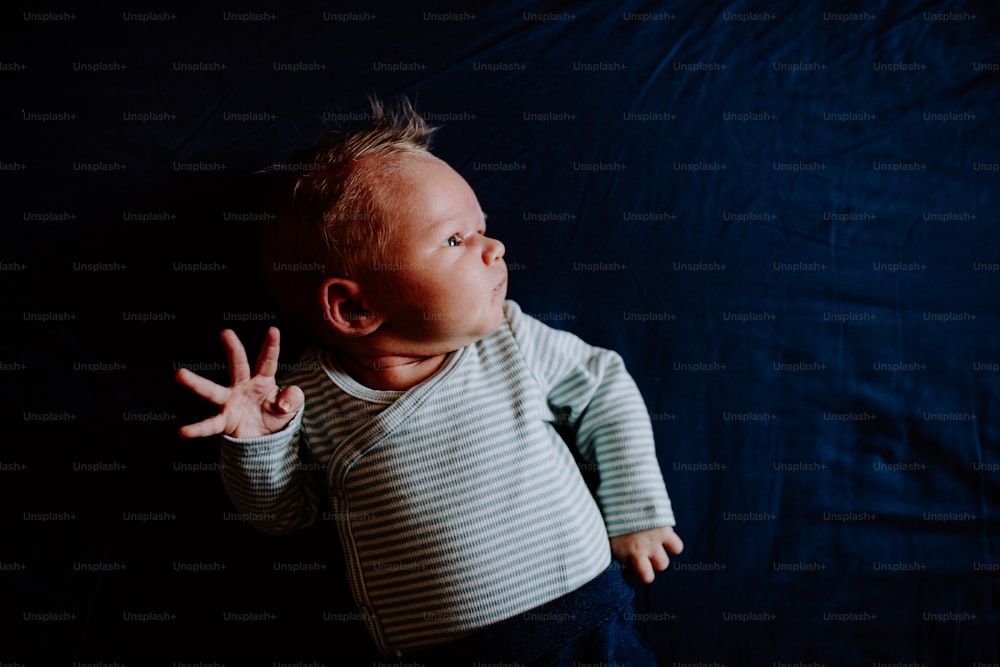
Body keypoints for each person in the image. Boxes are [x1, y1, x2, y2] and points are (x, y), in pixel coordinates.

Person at [175, 99, 684, 665]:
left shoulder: (508, 340)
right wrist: (257, 443)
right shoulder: (303, 399)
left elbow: (603, 387)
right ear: (352, 307)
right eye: (454, 240)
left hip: (583, 617)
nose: (494, 248)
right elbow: (281, 516)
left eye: (482, 229)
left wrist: (637, 510)